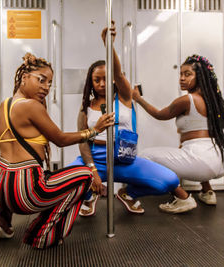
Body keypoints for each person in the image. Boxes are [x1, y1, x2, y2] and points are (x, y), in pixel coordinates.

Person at [0, 52, 114, 249]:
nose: (46, 87)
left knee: (15, 171)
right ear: (24, 77)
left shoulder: (4, 105)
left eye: (49, 83)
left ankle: (0, 218)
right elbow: (60, 139)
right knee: (85, 175)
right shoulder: (31, 106)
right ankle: (43, 234)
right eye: (41, 80)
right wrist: (94, 131)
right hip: (23, 192)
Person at [68, 24, 180, 216]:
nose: (102, 83)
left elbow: (118, 73)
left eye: (106, 78)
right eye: (97, 80)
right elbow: (83, 142)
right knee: (64, 181)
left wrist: (108, 45)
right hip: (96, 158)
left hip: (124, 160)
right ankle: (89, 196)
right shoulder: (85, 106)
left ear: (113, 79)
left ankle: (128, 193)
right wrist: (92, 170)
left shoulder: (125, 97)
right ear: (91, 82)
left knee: (169, 181)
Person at [133, 54, 224, 213]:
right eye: (181, 74)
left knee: (145, 156)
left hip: (204, 161)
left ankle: (182, 198)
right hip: (222, 160)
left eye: (188, 74)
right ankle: (207, 191)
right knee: (185, 151)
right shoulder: (213, 100)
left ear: (199, 77)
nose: (182, 78)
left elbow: (159, 114)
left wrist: (138, 99)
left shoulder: (187, 100)